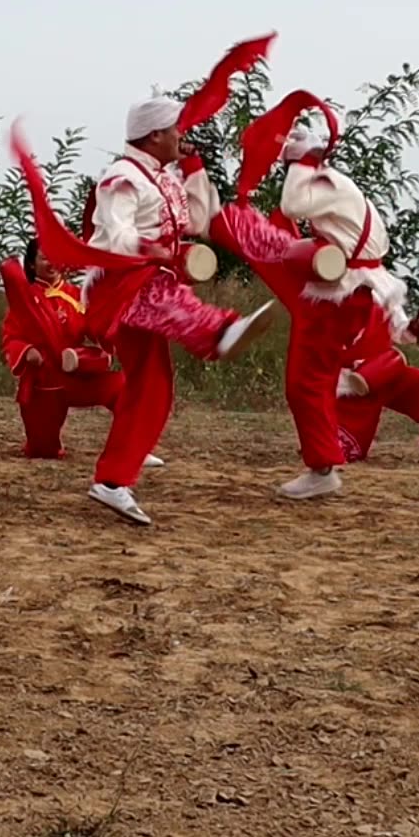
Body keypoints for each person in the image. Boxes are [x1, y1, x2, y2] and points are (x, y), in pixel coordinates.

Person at [79, 98, 277, 524]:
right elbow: (115, 234)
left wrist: (194, 167)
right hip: (122, 284)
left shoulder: (165, 179)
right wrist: (150, 250)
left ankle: (113, 481)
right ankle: (218, 331)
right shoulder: (122, 178)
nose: (182, 137)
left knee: (153, 389)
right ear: (154, 135)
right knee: (165, 299)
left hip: (151, 279)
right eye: (176, 131)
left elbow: (200, 220)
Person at [211, 123, 419, 499]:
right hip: (351, 291)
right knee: (311, 381)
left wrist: (300, 162)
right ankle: (322, 462)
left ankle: (322, 467)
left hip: (337, 295)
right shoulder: (343, 189)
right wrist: (399, 322)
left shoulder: (326, 185)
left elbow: (291, 205)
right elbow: (373, 264)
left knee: (306, 383)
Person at [0, 239, 165, 466]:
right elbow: (11, 337)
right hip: (44, 384)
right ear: (31, 265)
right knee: (43, 452)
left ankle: (134, 448)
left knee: (123, 388)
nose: (52, 262)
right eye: (45, 257)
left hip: (76, 375)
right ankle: (41, 441)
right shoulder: (26, 298)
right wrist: (27, 351)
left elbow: (98, 328)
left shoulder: (77, 296)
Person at [333, 304, 419, 467]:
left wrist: (412, 328)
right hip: (348, 381)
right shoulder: (329, 292)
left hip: (384, 370)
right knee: (343, 453)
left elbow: (400, 331)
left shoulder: (383, 289)